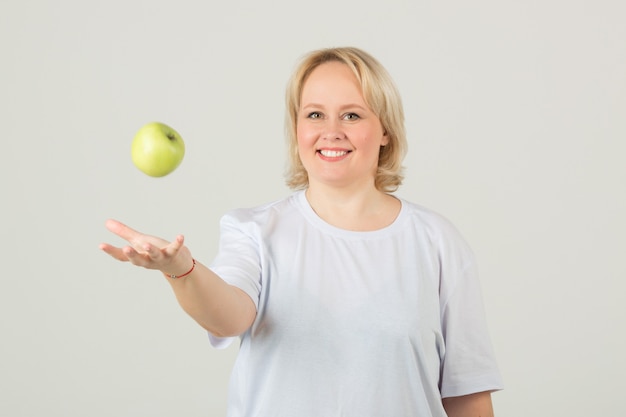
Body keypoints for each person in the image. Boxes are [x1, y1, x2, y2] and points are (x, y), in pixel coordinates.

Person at [100, 46, 503, 417]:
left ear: (385, 131)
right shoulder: (254, 231)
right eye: (314, 114)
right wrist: (182, 269)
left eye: (352, 114)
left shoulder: (437, 242)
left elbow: (467, 394)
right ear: (297, 129)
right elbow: (229, 317)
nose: (331, 130)